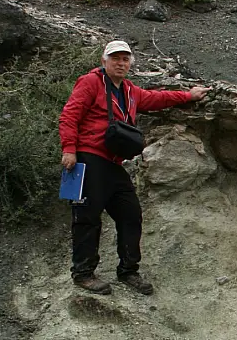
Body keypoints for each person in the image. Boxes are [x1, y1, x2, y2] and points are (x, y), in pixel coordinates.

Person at [59, 40, 211, 295]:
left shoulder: (129, 90)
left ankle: (128, 270)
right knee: (87, 217)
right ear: (103, 61)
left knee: (130, 214)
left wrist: (188, 95)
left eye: (125, 59)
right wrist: (69, 148)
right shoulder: (90, 82)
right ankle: (83, 274)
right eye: (115, 58)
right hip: (88, 157)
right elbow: (70, 114)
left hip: (113, 162)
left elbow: (156, 98)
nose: (121, 63)